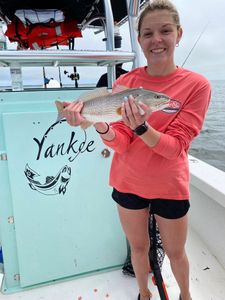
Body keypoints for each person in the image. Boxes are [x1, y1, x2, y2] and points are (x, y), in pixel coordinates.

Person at [61, 1, 211, 299]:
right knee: (139, 248)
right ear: (139, 39)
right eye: (148, 33)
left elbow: (176, 149)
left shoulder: (197, 85)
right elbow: (120, 141)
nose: (157, 39)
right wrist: (100, 124)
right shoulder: (125, 83)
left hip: (170, 186)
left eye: (165, 31)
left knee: (176, 251)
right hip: (128, 182)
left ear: (178, 35)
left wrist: (143, 126)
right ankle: (143, 293)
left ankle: (185, 294)